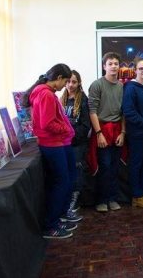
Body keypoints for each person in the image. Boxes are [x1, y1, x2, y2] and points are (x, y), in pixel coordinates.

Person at [22, 64, 80, 239]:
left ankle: (59, 216)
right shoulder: (46, 94)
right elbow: (48, 124)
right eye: (66, 81)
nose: (66, 86)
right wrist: (65, 128)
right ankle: (51, 225)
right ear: (59, 78)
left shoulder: (45, 92)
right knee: (61, 181)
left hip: (58, 142)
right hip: (53, 143)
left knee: (68, 177)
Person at [88, 52, 126, 213]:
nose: (113, 66)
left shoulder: (122, 86)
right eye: (110, 63)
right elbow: (92, 111)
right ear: (104, 66)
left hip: (117, 130)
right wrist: (99, 133)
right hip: (102, 130)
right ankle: (102, 200)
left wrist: (123, 132)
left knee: (115, 167)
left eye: (116, 63)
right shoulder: (97, 85)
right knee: (104, 166)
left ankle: (113, 198)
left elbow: (124, 111)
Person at [123, 58, 143, 208]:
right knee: (136, 164)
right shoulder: (130, 88)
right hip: (136, 134)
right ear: (135, 70)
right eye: (141, 69)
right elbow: (129, 112)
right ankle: (136, 196)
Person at [59, 69, 92, 214]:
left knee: (77, 172)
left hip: (77, 144)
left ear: (79, 83)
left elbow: (86, 125)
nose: (70, 85)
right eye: (68, 82)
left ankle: (74, 200)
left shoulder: (84, 100)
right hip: (63, 144)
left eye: (74, 82)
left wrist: (71, 137)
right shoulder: (61, 100)